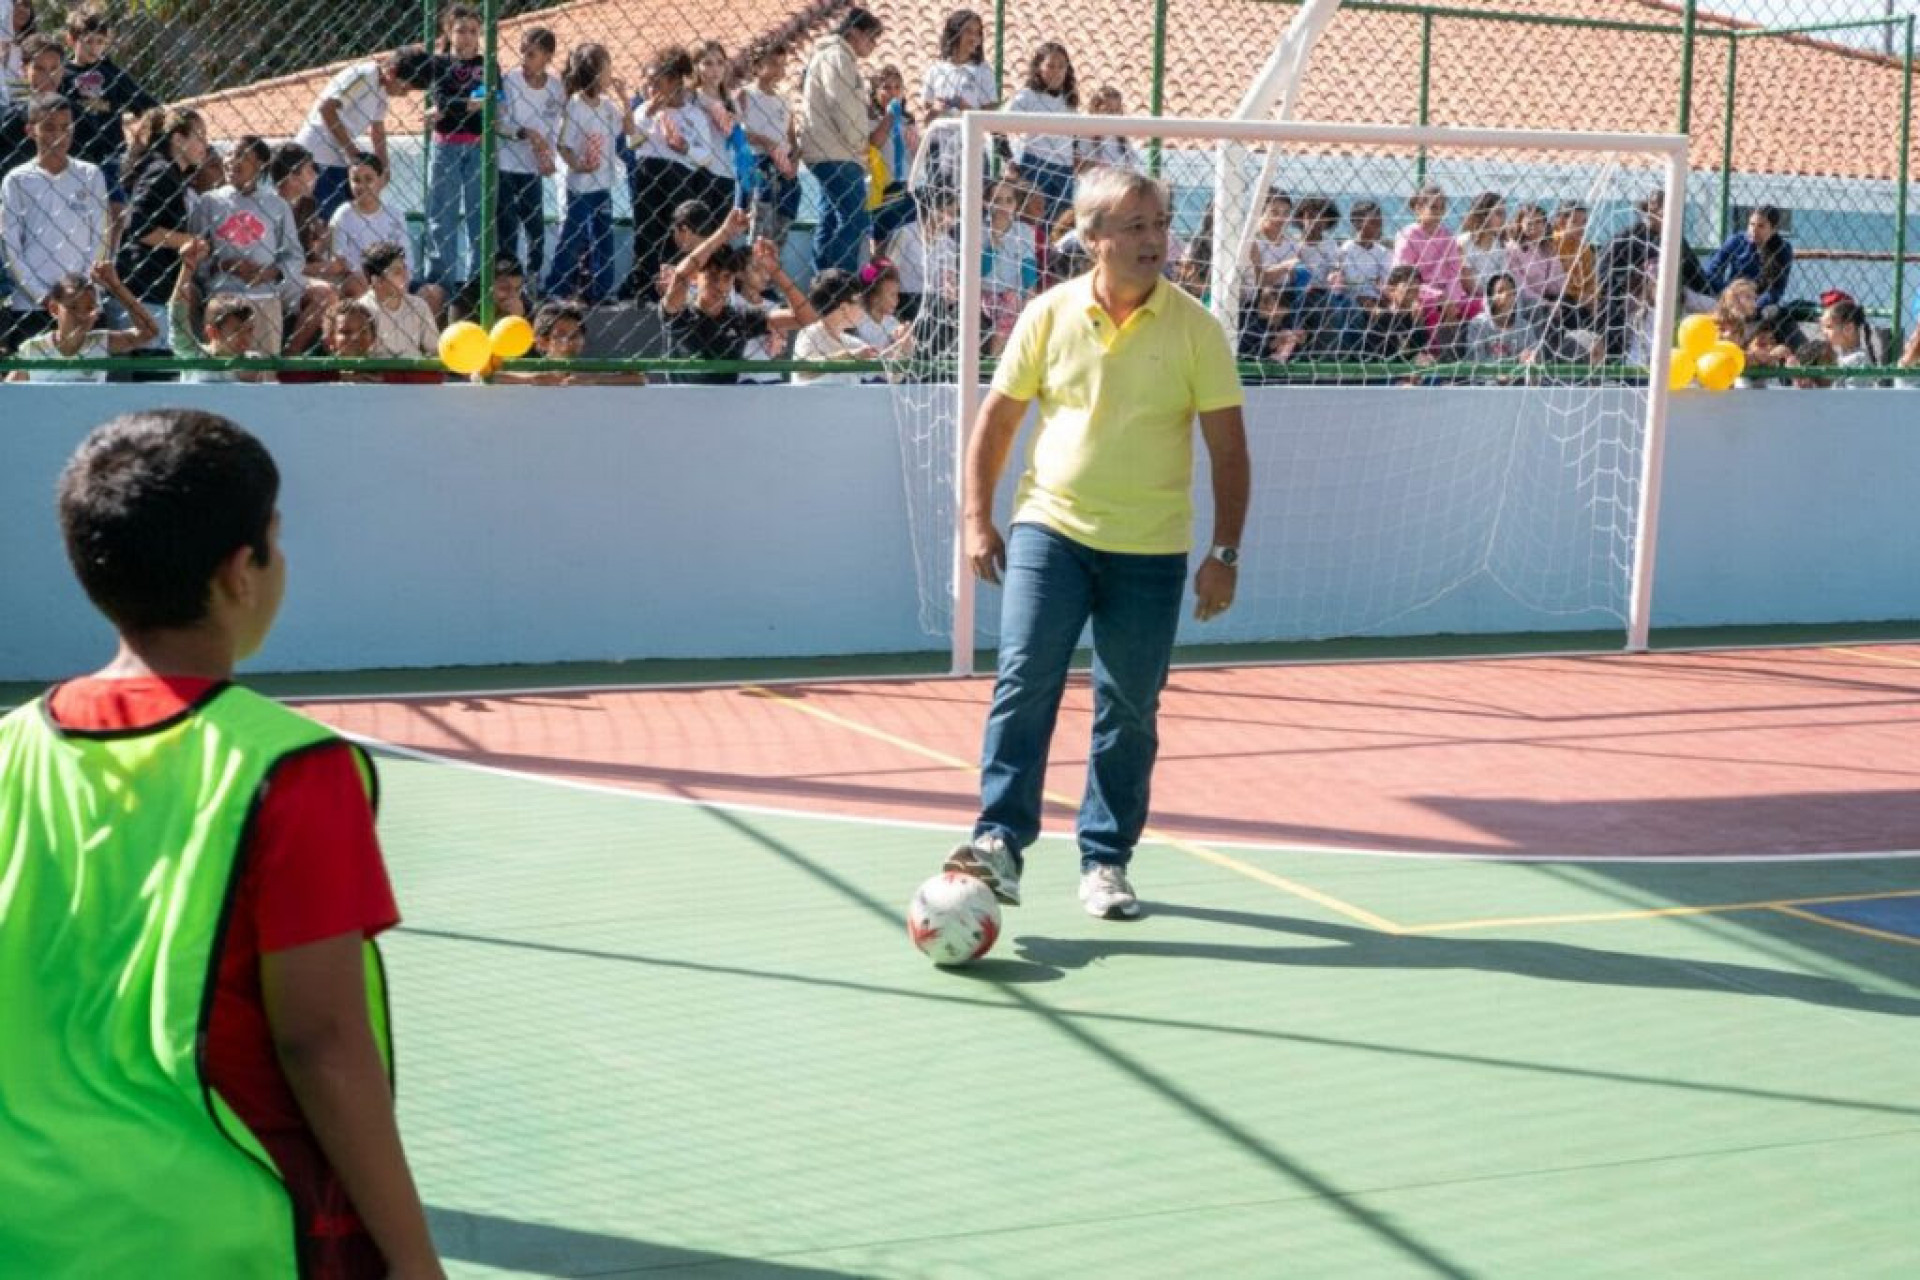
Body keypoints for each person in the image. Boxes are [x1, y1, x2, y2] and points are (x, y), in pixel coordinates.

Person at [0, 409, 442, 1279]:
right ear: (243, 571)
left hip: (28, 1229)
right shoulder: (294, 770)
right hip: (217, 1235)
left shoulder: (10, 752)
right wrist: (414, 1259)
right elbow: (321, 1040)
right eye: (276, 540)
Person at [939, 166, 1250, 921]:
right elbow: (997, 423)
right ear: (1091, 237)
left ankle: (1106, 859)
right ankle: (1000, 840)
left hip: (1151, 549)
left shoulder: (1197, 329)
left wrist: (1225, 552)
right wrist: (977, 518)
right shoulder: (1047, 315)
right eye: (1135, 226)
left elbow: (1229, 451)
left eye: (1160, 224)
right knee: (1025, 678)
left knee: (1129, 707)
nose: (1154, 240)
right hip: (1051, 529)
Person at [1, 91, 110, 354]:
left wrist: (81, 293)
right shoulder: (16, 180)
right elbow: (10, 247)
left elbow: (101, 237)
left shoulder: (90, 175)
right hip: (32, 307)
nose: (59, 136)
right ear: (31, 131)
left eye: (66, 127)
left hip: (85, 305)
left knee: (89, 374)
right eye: (49, 128)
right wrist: (42, 296)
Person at [191, 135, 318, 356]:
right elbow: (195, 256)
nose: (231, 160)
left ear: (260, 164)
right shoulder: (209, 202)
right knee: (224, 367)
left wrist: (270, 273)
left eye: (240, 155)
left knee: (264, 368)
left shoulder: (277, 206)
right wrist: (222, 266)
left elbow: (295, 256)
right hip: (223, 300)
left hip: (265, 298)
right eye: (229, 154)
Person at [659, 204, 814, 385]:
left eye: (726, 278)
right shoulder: (679, 315)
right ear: (695, 278)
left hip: (725, 400)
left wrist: (775, 271)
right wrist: (724, 232)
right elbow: (681, 275)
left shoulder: (738, 319)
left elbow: (806, 318)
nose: (719, 285)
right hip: (681, 399)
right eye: (712, 277)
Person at [293, 46, 427, 222]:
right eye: (404, 89)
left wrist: (384, 170)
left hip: (339, 159)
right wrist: (353, 154)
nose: (404, 95)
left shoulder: (382, 91)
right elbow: (327, 109)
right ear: (392, 72)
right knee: (321, 221)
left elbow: (378, 131)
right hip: (317, 156)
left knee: (346, 219)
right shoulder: (365, 76)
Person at [115, 106, 208, 348]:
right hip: (147, 286)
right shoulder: (162, 171)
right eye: (199, 136)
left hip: (152, 287)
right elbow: (139, 227)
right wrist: (188, 240)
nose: (205, 145)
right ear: (178, 139)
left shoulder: (170, 172)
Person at [800, 6, 883, 274]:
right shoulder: (838, 57)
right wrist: (861, 143)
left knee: (831, 218)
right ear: (855, 32)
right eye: (871, 37)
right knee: (856, 218)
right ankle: (838, 280)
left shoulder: (833, 56)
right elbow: (843, 106)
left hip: (829, 150)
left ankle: (823, 279)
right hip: (837, 152)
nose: (874, 45)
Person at [546, 42, 629, 305]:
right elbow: (563, 146)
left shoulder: (607, 106)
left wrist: (625, 100)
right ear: (594, 72)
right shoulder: (574, 105)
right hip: (580, 186)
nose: (611, 73)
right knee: (573, 235)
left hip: (603, 183)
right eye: (607, 68)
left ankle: (601, 290)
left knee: (603, 236)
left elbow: (627, 129)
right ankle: (557, 287)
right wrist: (578, 165)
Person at [58, 4, 157, 210]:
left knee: (117, 208)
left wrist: (140, 141)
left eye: (100, 42)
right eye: (88, 41)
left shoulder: (111, 73)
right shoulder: (63, 75)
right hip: (76, 156)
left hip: (111, 154)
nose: (94, 48)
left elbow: (147, 106)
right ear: (71, 40)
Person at [626, 45, 700, 301]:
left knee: (676, 233)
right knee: (646, 230)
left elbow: (705, 155)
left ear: (675, 81)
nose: (651, 88)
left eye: (657, 82)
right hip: (647, 174)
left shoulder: (692, 114)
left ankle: (674, 286)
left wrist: (685, 148)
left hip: (679, 177)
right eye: (647, 82)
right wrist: (648, 117)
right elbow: (633, 144)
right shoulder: (642, 111)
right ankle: (644, 287)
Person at [421, 4, 486, 293]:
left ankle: (477, 283)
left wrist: (451, 106)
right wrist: (467, 104)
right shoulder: (439, 64)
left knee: (479, 215)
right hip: (446, 146)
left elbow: (492, 97)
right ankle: (440, 285)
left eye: (473, 31)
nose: (467, 37)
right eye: (460, 30)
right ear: (448, 32)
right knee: (441, 216)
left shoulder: (488, 65)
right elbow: (440, 99)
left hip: (478, 146)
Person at [6, 261, 154, 380]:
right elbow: (7, 396)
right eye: (73, 307)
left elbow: (148, 332)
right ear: (54, 309)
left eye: (89, 308)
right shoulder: (34, 349)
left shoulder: (100, 342)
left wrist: (115, 286)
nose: (81, 315)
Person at [496, 27, 562, 287]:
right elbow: (498, 123)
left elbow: (554, 128)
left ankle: (533, 278)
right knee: (507, 226)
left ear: (548, 56)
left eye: (531, 53)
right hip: (505, 164)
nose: (524, 58)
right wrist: (525, 133)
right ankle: (507, 280)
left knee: (535, 226)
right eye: (522, 51)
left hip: (532, 168)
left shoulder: (556, 88)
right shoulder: (510, 81)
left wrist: (549, 157)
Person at [168, 239, 271, 384]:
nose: (246, 338)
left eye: (249, 330)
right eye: (237, 331)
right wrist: (187, 268)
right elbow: (177, 318)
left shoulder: (251, 362)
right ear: (213, 332)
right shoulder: (194, 355)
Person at [918, 8, 996, 189]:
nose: (974, 37)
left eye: (978, 32)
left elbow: (991, 117)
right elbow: (925, 118)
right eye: (968, 31)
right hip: (939, 147)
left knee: (975, 198)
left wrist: (966, 108)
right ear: (954, 32)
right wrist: (936, 109)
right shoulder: (936, 70)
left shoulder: (983, 71)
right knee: (941, 200)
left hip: (971, 145)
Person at [1004, 42, 1079, 227]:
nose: (1056, 71)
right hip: (1035, 164)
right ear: (1038, 68)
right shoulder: (1028, 96)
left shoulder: (1068, 100)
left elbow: (1075, 137)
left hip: (1064, 169)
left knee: (1061, 224)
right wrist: (1009, 160)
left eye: (1061, 66)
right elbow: (997, 126)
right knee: (1033, 221)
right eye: (1050, 66)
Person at [736, 41, 801, 245]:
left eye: (782, 65)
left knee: (781, 224)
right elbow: (737, 132)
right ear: (757, 66)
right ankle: (754, 253)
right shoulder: (746, 94)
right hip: (758, 161)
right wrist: (764, 141)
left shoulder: (784, 100)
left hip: (783, 166)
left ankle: (774, 256)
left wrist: (794, 162)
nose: (778, 70)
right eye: (773, 64)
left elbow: (791, 138)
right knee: (760, 217)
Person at [789, 266, 877, 384]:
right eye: (860, 303)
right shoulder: (810, 334)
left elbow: (890, 375)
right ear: (844, 308)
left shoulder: (852, 343)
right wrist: (849, 356)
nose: (863, 309)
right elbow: (802, 369)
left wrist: (899, 350)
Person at [1704, 204, 1793, 310]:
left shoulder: (1782, 249)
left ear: (1773, 229)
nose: (1754, 230)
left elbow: (1776, 290)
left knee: (1770, 311)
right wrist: (1727, 294)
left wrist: (1755, 305)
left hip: (1758, 303)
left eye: (1761, 226)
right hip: (1731, 295)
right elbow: (1713, 269)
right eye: (1751, 224)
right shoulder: (1737, 241)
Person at [358, 240, 437, 358]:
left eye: (405, 269)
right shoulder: (362, 310)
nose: (406, 275)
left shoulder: (419, 305)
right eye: (397, 272)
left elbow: (435, 349)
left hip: (412, 367)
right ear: (377, 281)